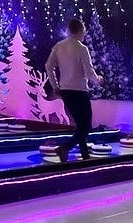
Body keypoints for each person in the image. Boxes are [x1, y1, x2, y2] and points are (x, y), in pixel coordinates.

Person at [45, 18, 103, 163]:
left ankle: (85, 155)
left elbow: (48, 66)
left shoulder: (59, 46)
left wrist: (55, 86)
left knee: (80, 125)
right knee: (86, 126)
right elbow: (90, 74)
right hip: (80, 91)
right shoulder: (82, 48)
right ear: (80, 31)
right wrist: (99, 80)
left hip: (65, 91)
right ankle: (65, 148)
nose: (84, 34)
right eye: (83, 31)